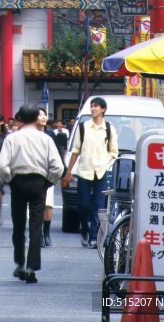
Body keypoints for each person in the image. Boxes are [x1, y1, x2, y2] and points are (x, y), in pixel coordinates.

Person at [0, 103, 64, 284]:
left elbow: (1, 165)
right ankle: (31, 267)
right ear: (36, 119)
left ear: (19, 119)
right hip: (39, 183)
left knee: (18, 224)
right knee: (36, 225)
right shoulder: (46, 139)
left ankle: (19, 263)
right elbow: (58, 166)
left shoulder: (12, 138)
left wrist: (8, 179)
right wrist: (50, 181)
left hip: (18, 182)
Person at [61, 96, 118, 249]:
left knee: (98, 206)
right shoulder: (83, 127)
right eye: (92, 106)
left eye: (96, 106)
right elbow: (75, 151)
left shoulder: (109, 128)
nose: (93, 109)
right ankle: (85, 230)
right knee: (82, 205)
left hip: (101, 172)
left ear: (103, 109)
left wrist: (105, 160)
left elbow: (114, 151)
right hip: (84, 171)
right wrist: (68, 171)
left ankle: (93, 236)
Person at [35, 108, 57, 247]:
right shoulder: (27, 134)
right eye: (39, 115)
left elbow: (56, 154)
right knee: (36, 206)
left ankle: (46, 232)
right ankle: (39, 235)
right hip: (31, 174)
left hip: (48, 174)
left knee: (47, 206)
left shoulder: (50, 135)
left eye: (44, 115)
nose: (43, 117)